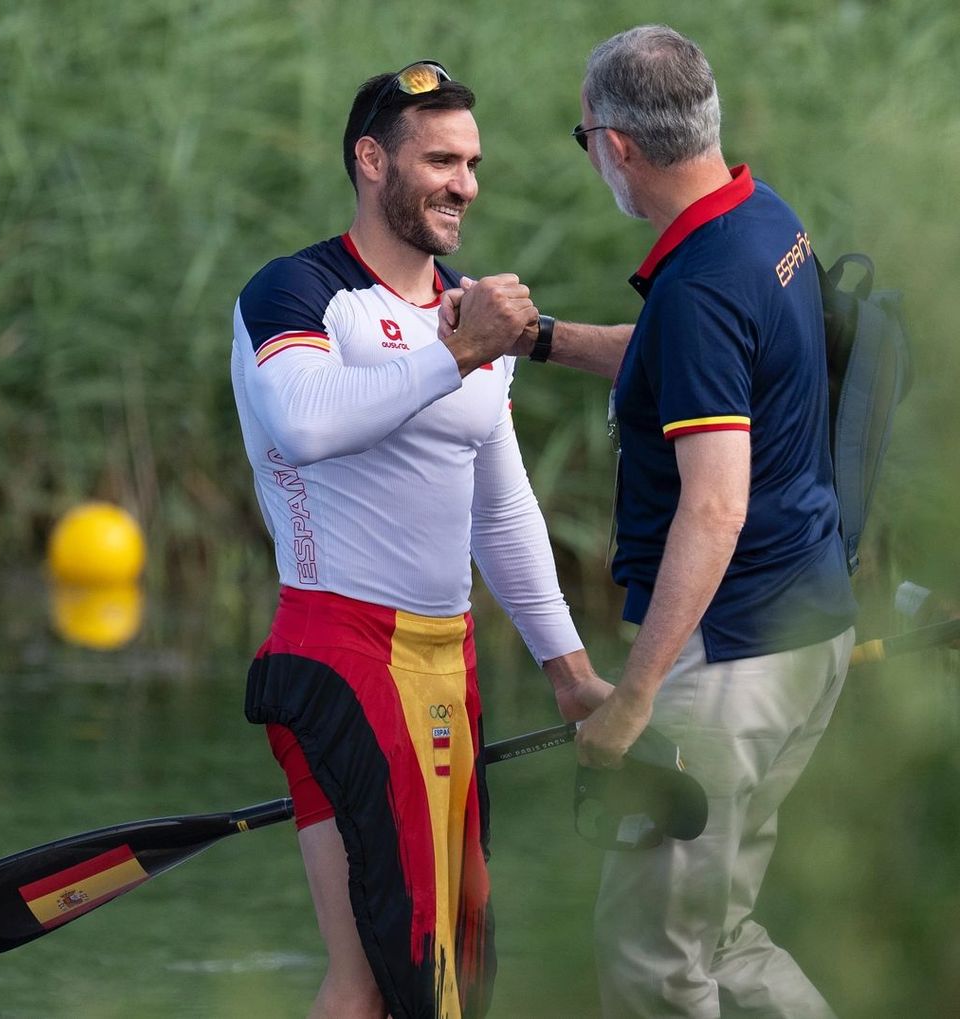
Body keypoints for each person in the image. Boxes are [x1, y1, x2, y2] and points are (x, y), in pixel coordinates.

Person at [440, 24, 858, 1019]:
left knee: (651, 965)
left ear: (615, 145)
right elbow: (684, 351)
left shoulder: (703, 281)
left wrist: (632, 698)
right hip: (808, 636)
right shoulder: (760, 224)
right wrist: (537, 340)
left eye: (582, 136)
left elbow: (714, 504)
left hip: (729, 668)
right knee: (721, 937)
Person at [229, 61, 609, 1019]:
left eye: (473, 162)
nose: (465, 184)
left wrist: (570, 675)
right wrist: (458, 351)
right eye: (440, 159)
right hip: (338, 652)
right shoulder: (295, 292)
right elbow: (304, 423)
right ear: (370, 160)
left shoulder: (468, 304)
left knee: (415, 982)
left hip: (450, 663)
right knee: (423, 985)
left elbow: (503, 509)